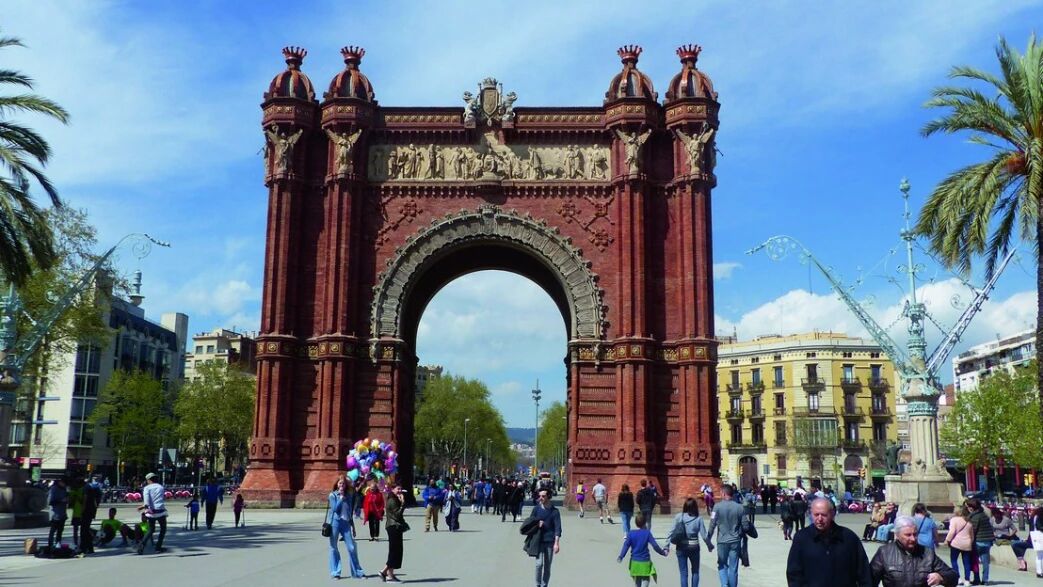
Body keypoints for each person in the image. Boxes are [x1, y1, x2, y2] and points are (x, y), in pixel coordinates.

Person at [785, 497, 871, 587]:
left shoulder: (848, 538)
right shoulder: (802, 538)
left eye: (824, 515)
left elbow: (863, 572)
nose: (819, 519)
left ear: (832, 514)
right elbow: (794, 573)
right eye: (816, 515)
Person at [869, 516, 959, 587]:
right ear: (897, 535)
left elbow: (953, 576)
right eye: (908, 535)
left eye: (915, 534)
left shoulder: (927, 553)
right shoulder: (884, 552)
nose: (913, 538)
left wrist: (941, 578)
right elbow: (869, 580)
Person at [668, 497, 712, 587]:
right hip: (694, 547)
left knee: (683, 573)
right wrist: (709, 545)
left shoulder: (679, 517)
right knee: (695, 571)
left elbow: (671, 532)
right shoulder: (699, 519)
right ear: (695, 507)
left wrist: (666, 546)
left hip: (681, 547)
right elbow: (704, 536)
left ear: (685, 506)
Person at [707, 485, 745, 587]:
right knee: (733, 568)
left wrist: (708, 540)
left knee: (722, 564)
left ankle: (724, 585)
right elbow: (745, 525)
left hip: (722, 541)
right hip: (735, 540)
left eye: (720, 493)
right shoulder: (739, 507)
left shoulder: (716, 507)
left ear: (724, 494)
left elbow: (712, 524)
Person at [619, 512, 669, 587]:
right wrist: (663, 552)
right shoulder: (647, 533)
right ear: (645, 522)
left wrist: (621, 556)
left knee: (637, 579)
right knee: (646, 578)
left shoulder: (631, 533)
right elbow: (655, 546)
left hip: (635, 561)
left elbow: (626, 545)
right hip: (645, 561)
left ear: (636, 523)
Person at [327, 478, 364, 580]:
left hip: (346, 523)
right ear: (337, 484)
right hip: (335, 523)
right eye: (340, 483)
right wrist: (340, 499)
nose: (341, 485)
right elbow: (335, 509)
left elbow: (349, 511)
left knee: (351, 547)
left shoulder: (349, 496)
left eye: (343, 484)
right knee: (334, 547)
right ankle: (335, 572)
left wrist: (353, 526)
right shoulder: (332, 495)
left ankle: (357, 572)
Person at [529, 487, 562, 587]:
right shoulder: (536, 509)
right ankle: (538, 584)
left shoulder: (555, 511)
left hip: (549, 541)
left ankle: (544, 585)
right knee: (539, 564)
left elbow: (558, 528)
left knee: (547, 566)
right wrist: (536, 523)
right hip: (538, 540)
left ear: (549, 497)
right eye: (539, 496)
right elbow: (529, 522)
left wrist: (556, 543)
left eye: (543, 496)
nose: (541, 498)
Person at [943, 505, 975, 585]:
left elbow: (952, 531)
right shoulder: (969, 521)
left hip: (956, 543)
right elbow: (972, 535)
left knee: (954, 561)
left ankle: (958, 578)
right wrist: (970, 542)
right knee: (966, 562)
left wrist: (947, 540)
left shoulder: (954, 520)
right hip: (967, 544)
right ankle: (967, 580)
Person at [381, 484, 407, 583]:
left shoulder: (394, 499)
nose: (400, 490)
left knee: (396, 550)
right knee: (395, 551)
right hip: (393, 526)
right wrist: (403, 503)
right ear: (392, 489)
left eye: (401, 488)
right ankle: (385, 572)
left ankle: (389, 574)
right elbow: (397, 515)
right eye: (398, 489)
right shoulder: (392, 500)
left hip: (395, 526)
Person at [137, 472, 169, 554]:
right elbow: (161, 498)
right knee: (163, 529)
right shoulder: (161, 487)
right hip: (161, 511)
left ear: (148, 480)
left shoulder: (147, 488)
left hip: (151, 512)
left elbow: (147, 501)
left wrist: (143, 507)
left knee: (151, 529)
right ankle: (158, 547)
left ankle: (142, 545)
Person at [965, 499, 995, 585]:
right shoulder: (984, 515)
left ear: (972, 507)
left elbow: (973, 530)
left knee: (975, 561)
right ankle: (985, 580)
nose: (968, 509)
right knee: (985, 562)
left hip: (978, 541)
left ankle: (977, 579)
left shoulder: (975, 517)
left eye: (968, 507)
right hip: (987, 541)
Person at [77, 474, 101, 556]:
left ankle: (83, 548)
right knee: (86, 530)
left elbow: (85, 500)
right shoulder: (88, 487)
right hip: (90, 511)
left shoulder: (86, 488)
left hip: (87, 512)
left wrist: (81, 511)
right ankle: (89, 548)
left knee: (84, 530)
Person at [46, 477, 69, 555]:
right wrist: (61, 500)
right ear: (59, 482)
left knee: (60, 531)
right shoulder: (54, 489)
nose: (64, 484)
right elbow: (50, 502)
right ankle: (50, 545)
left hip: (62, 514)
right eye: (63, 483)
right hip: (55, 514)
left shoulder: (64, 489)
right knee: (53, 531)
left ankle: (57, 545)